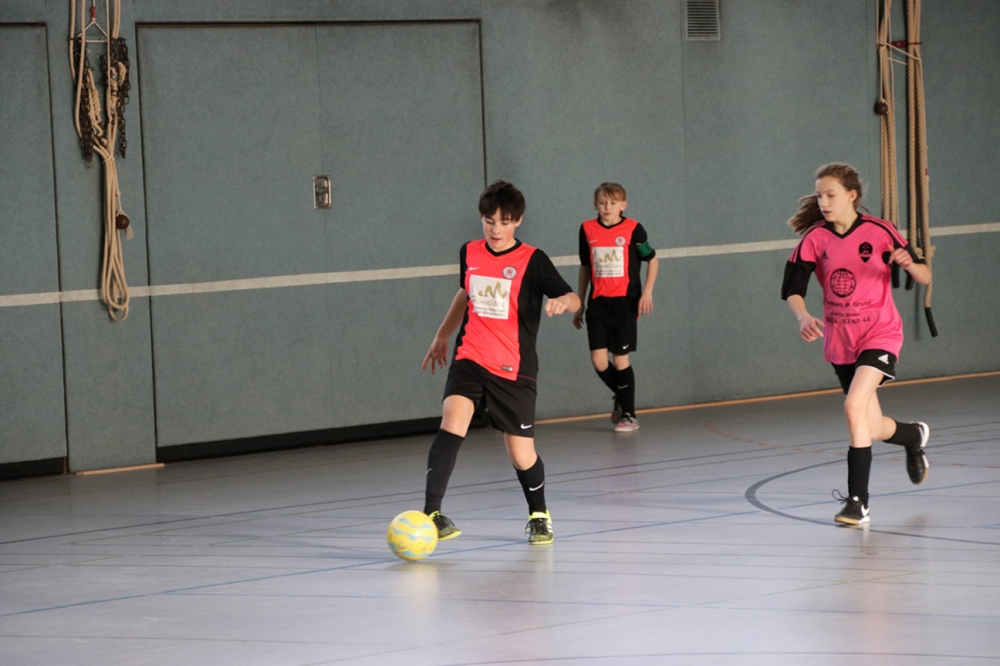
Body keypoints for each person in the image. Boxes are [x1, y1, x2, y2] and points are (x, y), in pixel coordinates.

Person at [421, 181, 581, 545]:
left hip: (513, 368)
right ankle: (432, 513)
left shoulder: (533, 260)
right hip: (471, 355)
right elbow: (466, 292)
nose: (495, 229)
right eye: (489, 221)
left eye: (504, 222)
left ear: (518, 221)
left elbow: (573, 298)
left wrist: (564, 303)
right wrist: (443, 335)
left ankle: (539, 514)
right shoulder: (469, 251)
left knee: (521, 455)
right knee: (452, 422)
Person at [781, 163, 932, 525]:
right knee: (872, 426)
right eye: (819, 196)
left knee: (852, 406)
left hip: (880, 333)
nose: (823, 202)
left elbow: (925, 275)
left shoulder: (880, 230)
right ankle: (913, 435)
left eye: (831, 195)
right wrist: (803, 317)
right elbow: (792, 290)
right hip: (841, 341)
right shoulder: (814, 239)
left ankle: (857, 503)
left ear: (851, 195)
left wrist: (909, 264)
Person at [573, 182, 659, 432]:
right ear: (595, 205)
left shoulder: (634, 229)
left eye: (612, 203)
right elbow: (585, 267)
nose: (607, 207)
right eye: (602, 203)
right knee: (599, 361)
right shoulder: (587, 229)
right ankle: (623, 397)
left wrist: (647, 292)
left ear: (623, 205)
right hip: (598, 303)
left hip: (625, 303)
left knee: (620, 358)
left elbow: (652, 259)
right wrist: (580, 302)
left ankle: (629, 415)